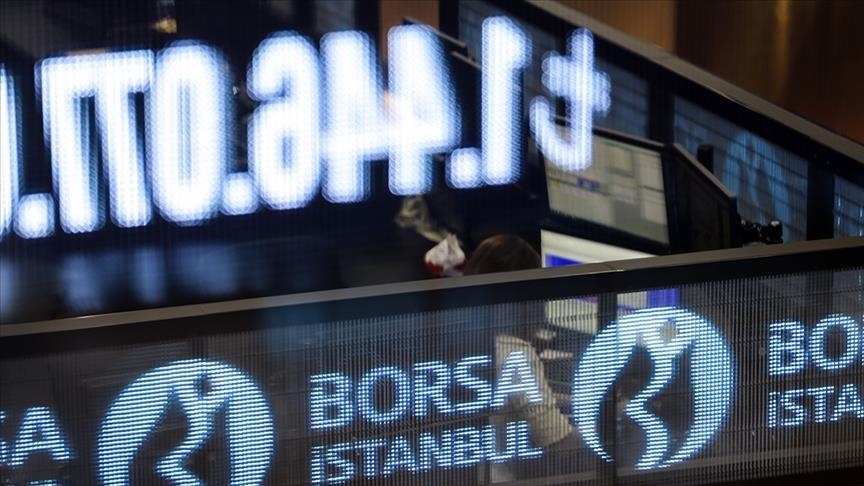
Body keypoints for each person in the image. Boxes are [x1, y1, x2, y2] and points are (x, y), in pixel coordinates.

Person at [464, 235, 591, 482]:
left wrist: (581, 402)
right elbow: (561, 443)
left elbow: (515, 397)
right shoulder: (516, 356)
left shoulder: (467, 337)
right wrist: (609, 424)